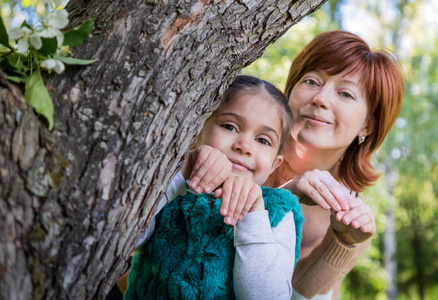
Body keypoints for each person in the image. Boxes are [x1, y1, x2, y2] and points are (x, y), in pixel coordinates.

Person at [124, 75, 304, 299]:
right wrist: (182, 171)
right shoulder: (172, 184)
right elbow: (125, 239)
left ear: (274, 165)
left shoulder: (277, 210)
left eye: (263, 140)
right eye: (230, 126)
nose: (244, 146)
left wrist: (253, 214)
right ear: (197, 132)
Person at [263, 30, 405, 299]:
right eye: (312, 81)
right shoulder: (242, 137)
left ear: (368, 124)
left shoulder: (351, 213)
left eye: (346, 94)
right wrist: (287, 192)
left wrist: (342, 242)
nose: (321, 98)